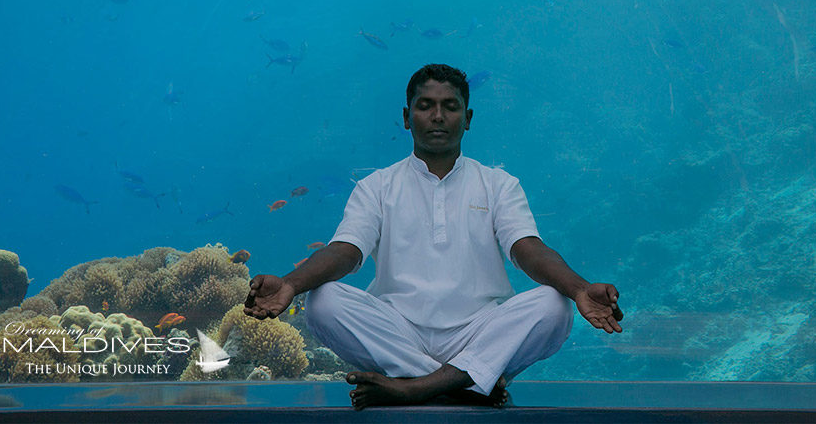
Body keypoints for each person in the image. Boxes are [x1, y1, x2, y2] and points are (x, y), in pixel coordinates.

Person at [244, 64, 623, 410]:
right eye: (425, 106)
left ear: (468, 118)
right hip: (397, 333)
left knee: (554, 306)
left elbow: (529, 250)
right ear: (407, 118)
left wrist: (579, 289)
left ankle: (414, 388)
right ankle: (463, 384)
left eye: (450, 106)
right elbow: (346, 251)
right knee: (322, 301)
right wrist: (291, 284)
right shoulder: (377, 187)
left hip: (479, 331)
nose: (438, 116)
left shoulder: (498, 185)